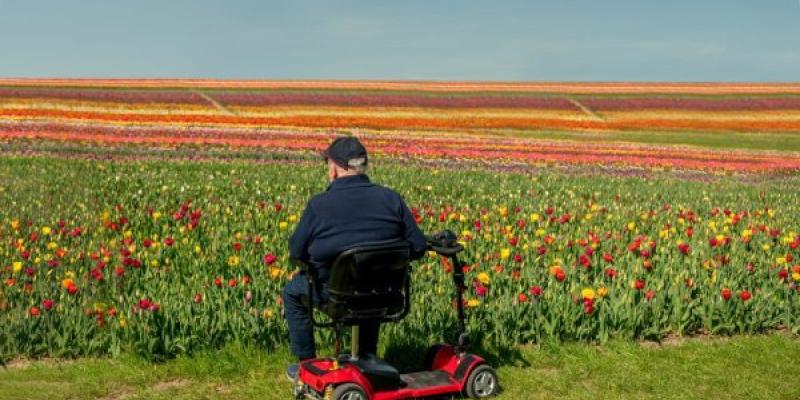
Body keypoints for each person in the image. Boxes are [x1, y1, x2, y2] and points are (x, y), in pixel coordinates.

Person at [283, 136, 428, 380]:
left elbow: (296, 252)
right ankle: (366, 356)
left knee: (293, 291)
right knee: (372, 278)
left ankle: (306, 363)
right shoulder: (391, 198)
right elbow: (419, 247)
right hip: (386, 295)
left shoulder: (320, 205)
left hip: (337, 298)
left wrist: (309, 265)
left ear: (334, 167)